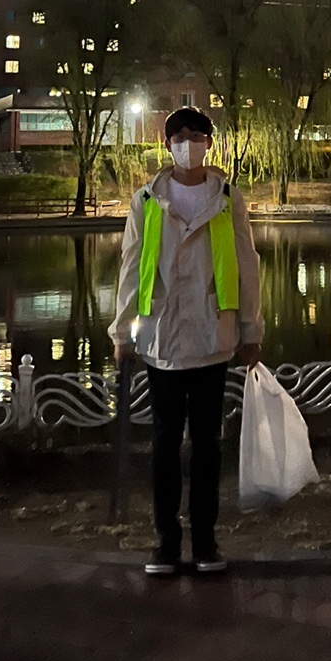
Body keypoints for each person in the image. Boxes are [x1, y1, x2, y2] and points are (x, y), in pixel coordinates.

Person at [109, 106, 263, 576]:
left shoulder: (228, 198)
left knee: (207, 445)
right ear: (167, 143)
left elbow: (247, 264)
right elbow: (131, 266)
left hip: (213, 336)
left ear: (209, 143)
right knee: (164, 445)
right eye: (179, 136)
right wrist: (122, 332)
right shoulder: (147, 200)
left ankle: (206, 542)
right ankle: (166, 542)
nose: (187, 144)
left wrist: (251, 330)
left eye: (196, 135)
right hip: (163, 341)